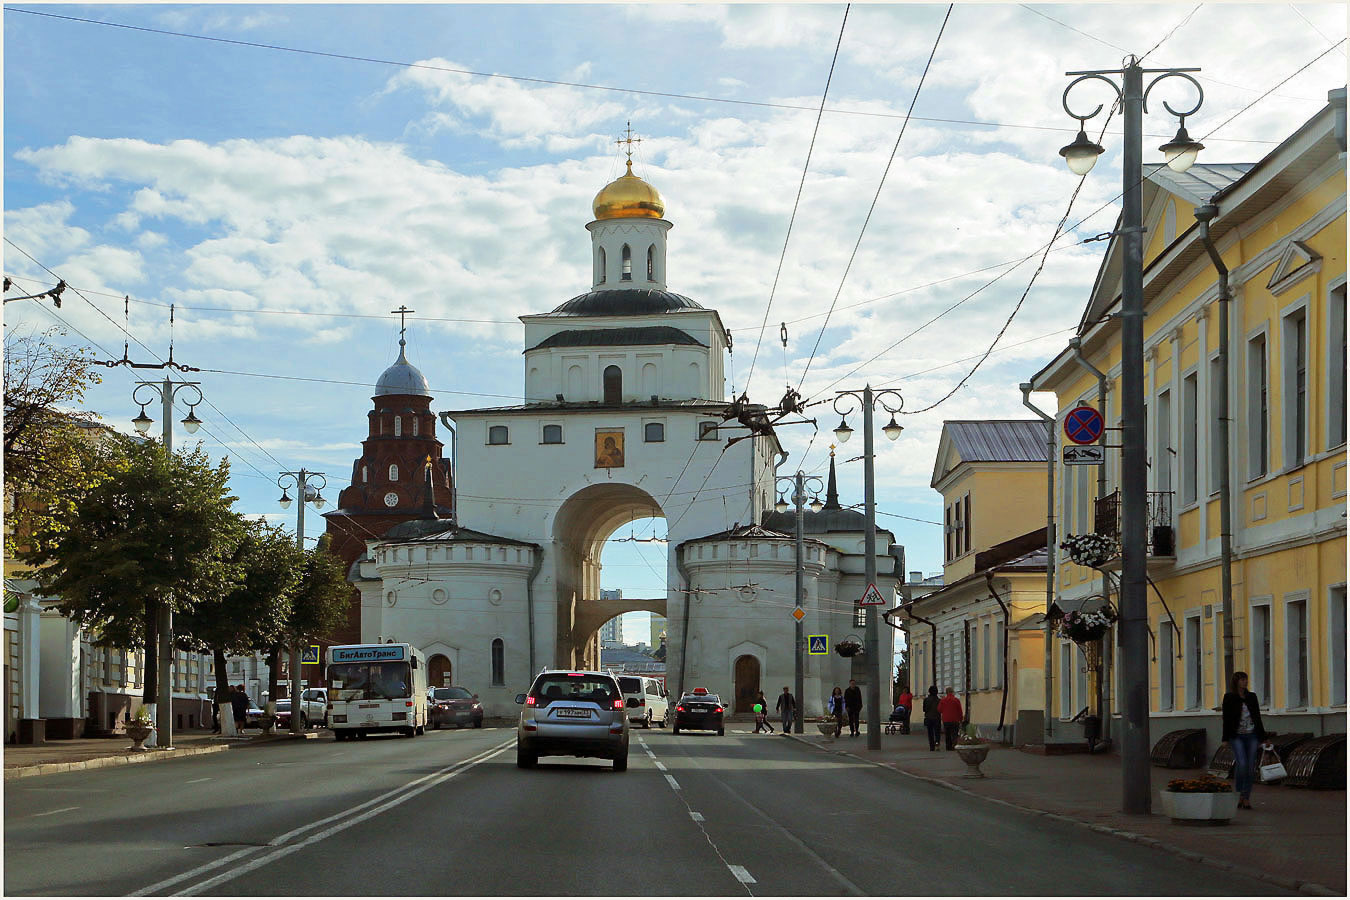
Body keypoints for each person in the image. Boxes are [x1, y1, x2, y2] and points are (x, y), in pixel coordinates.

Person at [1222, 670, 1268, 809]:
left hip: (1252, 735)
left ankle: (1246, 797)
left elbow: (1257, 717)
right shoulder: (1229, 697)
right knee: (1242, 764)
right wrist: (1225, 738)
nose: (1245, 682)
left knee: (1249, 767)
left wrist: (1263, 737)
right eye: (1242, 679)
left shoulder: (1252, 697)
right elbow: (1226, 719)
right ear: (1236, 681)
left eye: (1246, 679)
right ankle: (1239, 794)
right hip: (1237, 736)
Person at [922, 686, 941, 751]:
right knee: (937, 732)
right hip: (937, 718)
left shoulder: (926, 700)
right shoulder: (939, 700)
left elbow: (924, 709)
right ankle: (937, 743)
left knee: (930, 733)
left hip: (929, 718)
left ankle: (931, 746)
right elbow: (940, 710)